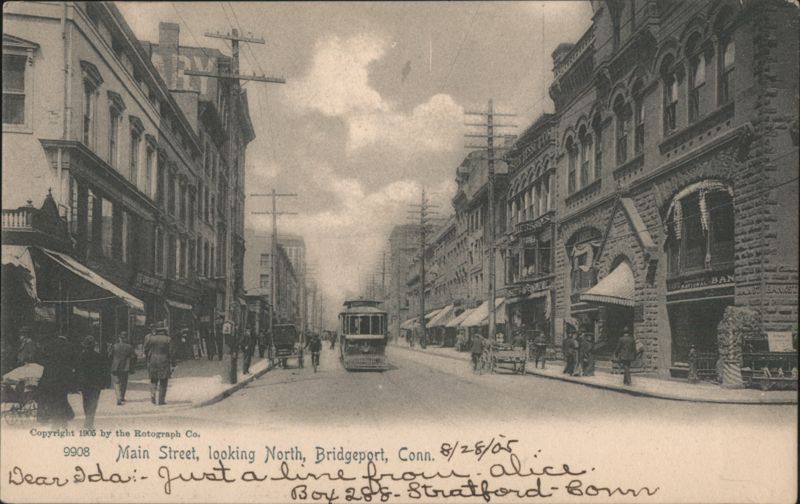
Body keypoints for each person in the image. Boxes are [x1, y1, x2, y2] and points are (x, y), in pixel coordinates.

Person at [37, 334, 78, 427]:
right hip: (64, 378)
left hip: (50, 377)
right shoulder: (70, 346)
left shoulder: (49, 345)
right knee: (62, 397)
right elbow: (74, 362)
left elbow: (41, 359)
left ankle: (56, 420)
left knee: (53, 398)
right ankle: (63, 420)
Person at [76, 336, 107, 429]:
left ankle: (88, 420)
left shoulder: (81, 356)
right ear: (94, 346)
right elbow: (103, 371)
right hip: (96, 384)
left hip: (85, 384)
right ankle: (89, 421)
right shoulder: (98, 356)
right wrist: (104, 383)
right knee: (93, 403)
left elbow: (78, 371)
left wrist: (77, 384)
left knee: (85, 402)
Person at [145, 322, 174, 405]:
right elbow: (171, 352)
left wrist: (148, 358)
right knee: (163, 381)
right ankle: (161, 400)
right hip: (164, 361)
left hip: (153, 360)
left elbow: (146, 350)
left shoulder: (151, 339)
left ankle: (153, 395)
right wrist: (173, 363)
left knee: (153, 379)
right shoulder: (168, 339)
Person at [108, 332, 136, 405]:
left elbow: (109, 356)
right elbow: (134, 356)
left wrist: (111, 364)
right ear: (126, 338)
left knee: (116, 382)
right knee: (123, 383)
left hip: (115, 366)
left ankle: (118, 397)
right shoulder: (129, 347)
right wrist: (131, 364)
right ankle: (122, 397)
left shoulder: (114, 346)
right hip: (125, 367)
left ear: (119, 338)